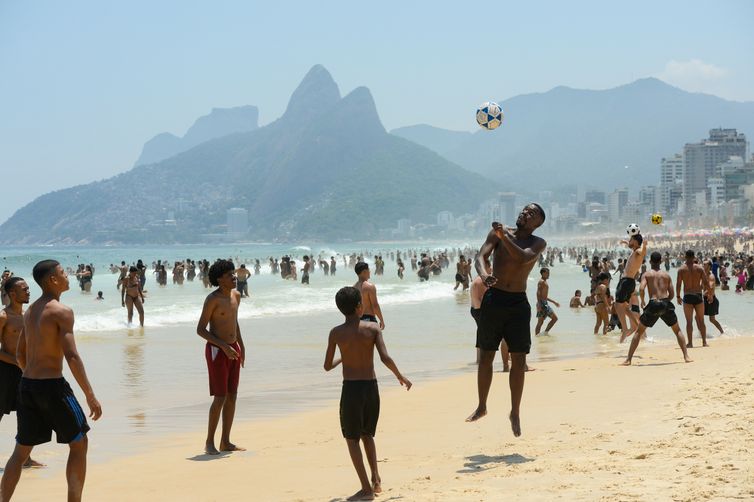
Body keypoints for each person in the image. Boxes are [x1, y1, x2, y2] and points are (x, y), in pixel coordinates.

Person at [0, 260, 102, 501]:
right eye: (62, 272)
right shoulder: (61, 311)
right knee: (79, 442)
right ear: (52, 280)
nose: (67, 275)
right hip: (53, 387)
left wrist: (31, 376)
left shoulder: (31, 310)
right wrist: (90, 394)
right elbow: (72, 356)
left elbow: (19, 354)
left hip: (27, 385)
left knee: (20, 452)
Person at [323, 286, 411, 501]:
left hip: (351, 389)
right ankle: (376, 479)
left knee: (352, 439)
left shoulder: (336, 333)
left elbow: (327, 366)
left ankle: (365, 489)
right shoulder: (372, 328)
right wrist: (400, 375)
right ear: (359, 307)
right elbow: (385, 358)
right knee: (367, 435)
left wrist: (344, 356)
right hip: (371, 387)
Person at [467, 203, 547, 438]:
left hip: (518, 304)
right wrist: (483, 274)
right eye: (525, 209)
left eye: (531, 213)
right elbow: (481, 256)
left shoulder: (537, 243)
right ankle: (482, 405)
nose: (525, 213)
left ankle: (515, 412)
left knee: (518, 360)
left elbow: (522, 258)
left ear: (537, 223)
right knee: (486, 355)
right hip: (494, 299)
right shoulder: (499, 233)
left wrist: (504, 236)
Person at [196, 260, 246, 455]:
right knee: (220, 397)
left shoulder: (236, 296)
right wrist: (224, 346)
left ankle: (226, 441)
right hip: (217, 351)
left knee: (232, 396)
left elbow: (235, 322)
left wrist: (241, 345)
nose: (234, 277)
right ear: (219, 279)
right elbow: (200, 330)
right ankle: (209, 442)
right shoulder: (212, 300)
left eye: (233, 274)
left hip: (233, 349)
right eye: (229, 275)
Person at [0, 277, 42, 468]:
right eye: (23, 289)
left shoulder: (28, 315)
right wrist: (18, 362)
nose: (28, 291)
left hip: (27, 371)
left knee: (28, 414)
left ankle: (25, 458)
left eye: (28, 288)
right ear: (11, 294)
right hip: (6, 372)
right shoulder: (3, 317)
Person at [622, 252, 692, 365]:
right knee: (677, 330)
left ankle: (628, 359)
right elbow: (672, 294)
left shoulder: (647, 274)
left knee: (639, 332)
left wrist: (644, 300)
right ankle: (686, 356)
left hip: (653, 303)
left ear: (650, 262)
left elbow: (641, 288)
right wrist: (666, 302)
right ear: (661, 262)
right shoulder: (666, 275)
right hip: (665, 303)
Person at [615, 234, 647, 343]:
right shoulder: (635, 250)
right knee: (624, 306)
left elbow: (641, 252)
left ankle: (625, 329)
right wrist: (625, 242)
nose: (629, 241)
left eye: (631, 239)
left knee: (617, 305)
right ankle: (636, 325)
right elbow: (632, 247)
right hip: (628, 281)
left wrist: (645, 245)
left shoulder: (638, 251)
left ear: (636, 242)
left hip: (626, 281)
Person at [676, 250, 708, 348]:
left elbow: (678, 284)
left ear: (685, 257)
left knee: (689, 321)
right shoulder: (699, 268)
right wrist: (704, 289)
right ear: (694, 257)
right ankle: (704, 342)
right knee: (701, 320)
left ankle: (690, 343)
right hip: (698, 295)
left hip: (688, 296)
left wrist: (678, 296)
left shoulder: (681, 269)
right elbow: (706, 282)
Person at [353, 263, 385, 329]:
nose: (370, 272)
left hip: (358, 321)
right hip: (369, 319)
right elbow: (375, 305)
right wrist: (381, 320)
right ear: (364, 272)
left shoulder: (353, 288)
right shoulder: (369, 287)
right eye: (368, 270)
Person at [534, 268, 559, 336]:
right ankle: (538, 336)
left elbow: (544, 296)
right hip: (541, 303)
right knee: (540, 322)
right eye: (547, 273)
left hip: (544, 303)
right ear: (542, 273)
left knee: (553, 319)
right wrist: (539, 304)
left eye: (549, 273)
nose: (548, 274)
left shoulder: (544, 282)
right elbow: (538, 293)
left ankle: (544, 333)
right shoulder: (541, 282)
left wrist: (554, 302)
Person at [703, 260, 723, 335]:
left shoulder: (711, 276)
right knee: (697, 317)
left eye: (705, 264)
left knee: (712, 319)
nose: (703, 265)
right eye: (703, 264)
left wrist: (703, 294)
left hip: (711, 300)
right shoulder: (703, 275)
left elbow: (710, 287)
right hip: (705, 299)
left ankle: (722, 332)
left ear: (709, 266)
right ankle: (702, 333)